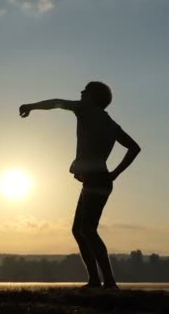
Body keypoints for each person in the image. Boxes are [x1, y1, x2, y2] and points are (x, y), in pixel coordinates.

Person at [19, 81, 141, 289]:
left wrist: (31, 106)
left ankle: (109, 282)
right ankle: (95, 280)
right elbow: (134, 148)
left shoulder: (86, 109)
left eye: (85, 91)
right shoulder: (110, 123)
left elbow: (57, 103)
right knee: (79, 230)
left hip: (96, 180)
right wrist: (115, 174)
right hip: (99, 179)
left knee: (87, 229)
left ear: (93, 97)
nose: (81, 93)